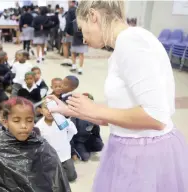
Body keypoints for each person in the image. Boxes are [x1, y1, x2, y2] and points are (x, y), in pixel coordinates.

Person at [48, 1, 188, 191]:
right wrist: (71, 110)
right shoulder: (124, 46)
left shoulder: (132, 43)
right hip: (130, 146)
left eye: (83, 29)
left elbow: (156, 116)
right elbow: (118, 117)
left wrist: (96, 109)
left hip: (144, 155)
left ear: (93, 16)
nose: (84, 39)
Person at [0, 97, 71, 192]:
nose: (24, 126)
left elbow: (56, 183)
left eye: (29, 120)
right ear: (6, 122)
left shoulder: (43, 147)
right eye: (16, 120)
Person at [36, 101, 78, 182]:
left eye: (52, 109)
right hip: (49, 156)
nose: (49, 111)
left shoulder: (62, 121)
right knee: (48, 178)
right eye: (46, 108)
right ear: (41, 110)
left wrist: (66, 140)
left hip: (64, 154)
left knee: (71, 177)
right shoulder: (38, 126)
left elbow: (73, 131)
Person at [71, 93, 104, 161]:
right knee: (85, 157)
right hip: (77, 140)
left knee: (100, 147)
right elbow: (70, 135)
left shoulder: (93, 114)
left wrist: (99, 141)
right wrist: (73, 153)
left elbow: (96, 131)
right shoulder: (74, 115)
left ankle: (85, 147)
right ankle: (79, 149)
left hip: (87, 138)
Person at [62, 1, 76, 66]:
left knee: (65, 45)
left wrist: (65, 31)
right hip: (76, 31)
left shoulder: (70, 11)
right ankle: (73, 62)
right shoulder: (77, 10)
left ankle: (66, 60)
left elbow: (68, 22)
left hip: (69, 31)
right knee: (72, 46)